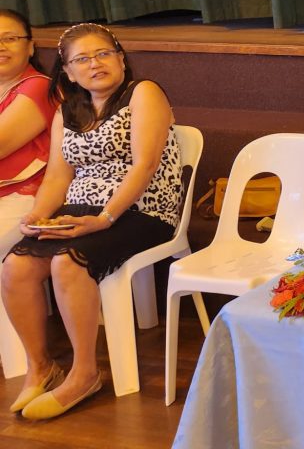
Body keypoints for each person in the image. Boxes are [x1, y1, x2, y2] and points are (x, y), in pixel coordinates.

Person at [2, 23, 183, 420]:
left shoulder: (143, 93)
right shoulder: (67, 110)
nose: (94, 64)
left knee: (67, 262)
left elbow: (145, 165)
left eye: (103, 54)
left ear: (121, 58)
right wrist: (38, 215)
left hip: (143, 210)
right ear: (68, 72)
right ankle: (41, 366)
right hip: (82, 209)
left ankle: (85, 373)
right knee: (16, 265)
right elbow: (57, 176)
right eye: (81, 59)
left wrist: (105, 218)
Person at [0, 9, 56, 254]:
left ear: (31, 47)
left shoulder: (38, 86)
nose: (1, 46)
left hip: (23, 197)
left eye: (10, 38)